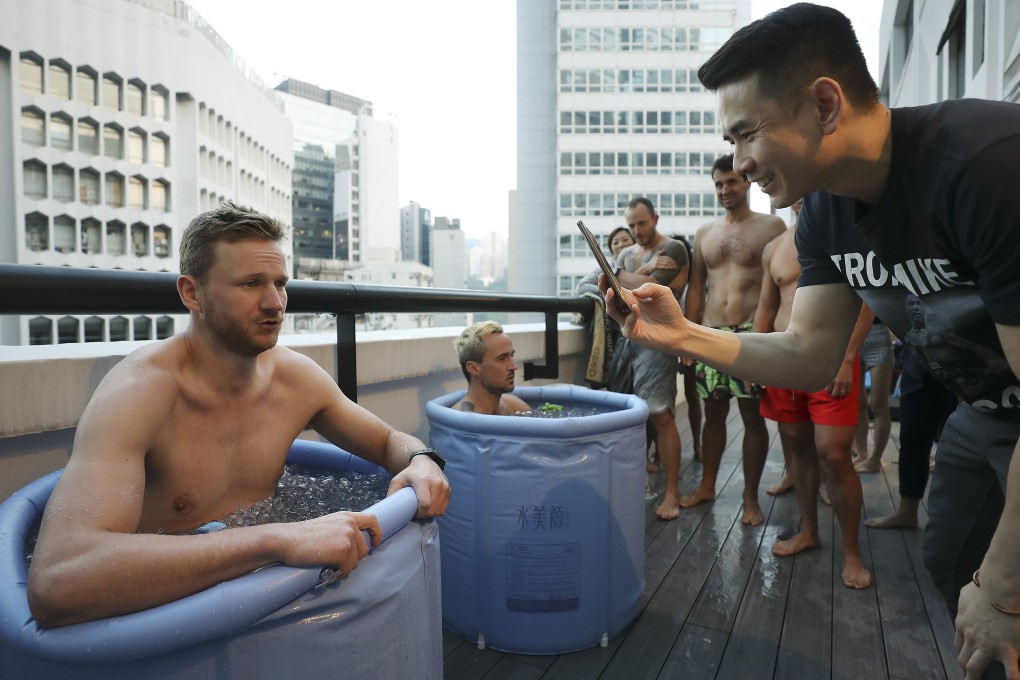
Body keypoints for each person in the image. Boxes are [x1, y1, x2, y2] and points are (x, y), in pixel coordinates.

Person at [597, 5, 1020, 677]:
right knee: (948, 559)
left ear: (825, 103)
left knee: (1000, 590)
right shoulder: (824, 212)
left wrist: (1003, 588)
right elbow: (809, 354)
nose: (739, 163)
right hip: (987, 413)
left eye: (745, 135)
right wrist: (683, 333)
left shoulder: (982, 165)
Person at [26, 202, 451, 628]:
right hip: (172, 622)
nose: (275, 303)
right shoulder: (140, 393)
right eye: (250, 284)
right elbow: (59, 582)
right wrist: (276, 540)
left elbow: (385, 441)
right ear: (192, 293)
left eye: (280, 283)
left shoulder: (295, 378)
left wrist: (422, 460)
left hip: (272, 599)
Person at [753, 203, 872, 589]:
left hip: (833, 359)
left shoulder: (840, 235)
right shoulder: (774, 248)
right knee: (798, 449)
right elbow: (767, 306)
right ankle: (809, 531)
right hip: (783, 362)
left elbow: (867, 298)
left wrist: (847, 356)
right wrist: (756, 362)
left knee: (835, 455)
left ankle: (852, 551)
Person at [683, 153, 786, 526]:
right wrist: (687, 337)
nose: (725, 190)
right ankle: (707, 485)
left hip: (749, 334)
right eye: (718, 184)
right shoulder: (704, 233)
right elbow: (696, 288)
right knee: (713, 414)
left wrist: (770, 334)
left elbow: (779, 283)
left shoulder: (771, 226)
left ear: (746, 182)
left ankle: (749, 498)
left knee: (752, 416)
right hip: (710, 332)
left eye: (731, 182)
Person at [610, 197, 688, 520]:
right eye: (631, 225)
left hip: (658, 340)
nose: (636, 230)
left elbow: (650, 290)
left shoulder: (675, 248)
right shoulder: (627, 255)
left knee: (662, 415)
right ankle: (636, 484)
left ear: (655, 218)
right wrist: (630, 272)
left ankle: (672, 491)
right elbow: (611, 287)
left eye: (642, 223)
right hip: (628, 338)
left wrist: (620, 275)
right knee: (628, 416)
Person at [865, 344, 959, 529]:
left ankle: (954, 520)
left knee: (960, 445)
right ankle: (906, 512)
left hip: (964, 363)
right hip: (920, 358)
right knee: (911, 438)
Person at [575, 226, 635, 389]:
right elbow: (582, 287)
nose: (620, 244)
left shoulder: (639, 265)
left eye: (625, 240)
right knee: (619, 385)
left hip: (641, 335)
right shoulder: (607, 267)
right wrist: (610, 293)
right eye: (615, 242)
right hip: (615, 335)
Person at [451, 320, 532, 415]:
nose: (514, 366)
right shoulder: (462, 421)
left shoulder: (514, 406)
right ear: (474, 368)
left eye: (511, 356)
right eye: (502, 358)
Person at [672, 233, 703, 463]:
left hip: (690, 343)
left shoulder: (697, 283)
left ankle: (697, 444)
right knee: (664, 396)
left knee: (692, 395)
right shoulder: (663, 279)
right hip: (665, 343)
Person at [852, 309, 894, 473]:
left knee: (878, 403)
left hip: (878, 333)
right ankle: (862, 453)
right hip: (852, 334)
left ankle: (875, 459)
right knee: (858, 402)